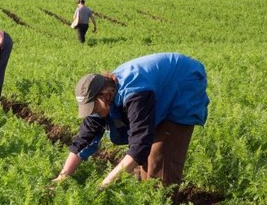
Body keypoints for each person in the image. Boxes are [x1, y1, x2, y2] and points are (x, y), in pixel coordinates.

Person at [52, 53, 209, 188]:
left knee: (160, 161)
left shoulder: (135, 95)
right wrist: (62, 177)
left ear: (105, 96)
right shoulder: (103, 99)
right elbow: (83, 141)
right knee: (146, 159)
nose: (92, 113)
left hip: (183, 84)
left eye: (93, 108)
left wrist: (105, 184)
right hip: (159, 88)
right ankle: (147, 197)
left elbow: (139, 146)